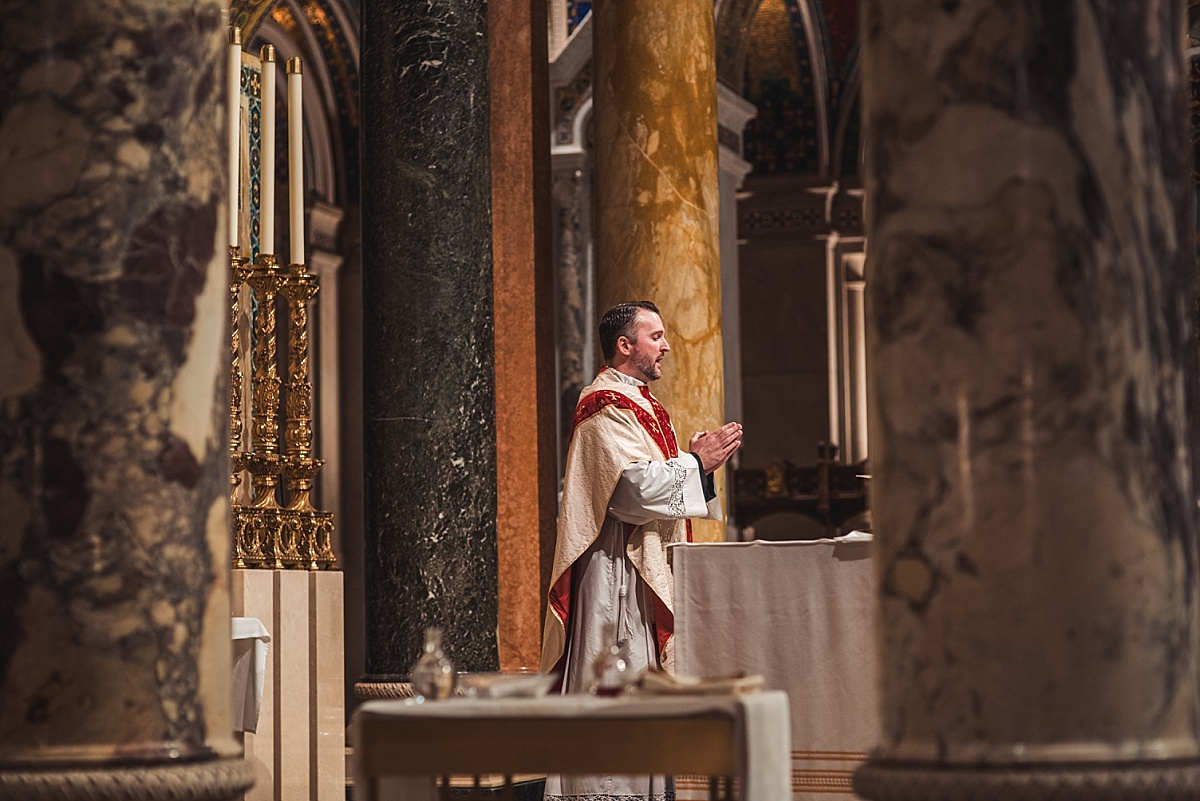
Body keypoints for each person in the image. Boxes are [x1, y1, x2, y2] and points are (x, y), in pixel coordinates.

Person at [541, 301, 742, 801]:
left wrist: (695, 465)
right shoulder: (605, 404)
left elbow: (653, 482)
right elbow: (630, 492)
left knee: (641, 684)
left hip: (637, 565)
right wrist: (696, 462)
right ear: (624, 346)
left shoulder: (644, 405)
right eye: (655, 336)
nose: (667, 346)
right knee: (615, 680)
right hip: (613, 572)